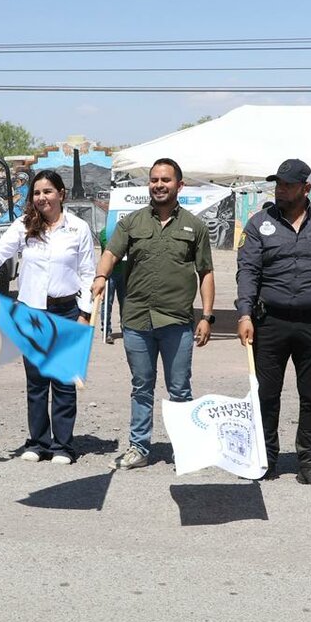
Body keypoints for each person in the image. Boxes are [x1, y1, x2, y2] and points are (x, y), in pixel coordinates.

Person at [236, 158, 311, 484]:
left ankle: (310, 464)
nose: (280, 190)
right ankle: (265, 460)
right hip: (269, 324)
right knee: (266, 396)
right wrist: (245, 314)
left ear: (306, 188)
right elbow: (248, 272)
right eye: (278, 184)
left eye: (288, 185)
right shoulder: (259, 224)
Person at [93, 158, 215, 470]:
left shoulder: (195, 227)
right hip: (137, 320)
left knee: (180, 389)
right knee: (141, 387)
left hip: (177, 321)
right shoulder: (132, 223)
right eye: (154, 180)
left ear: (179, 185)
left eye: (166, 180)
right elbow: (111, 252)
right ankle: (139, 447)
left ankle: (184, 449)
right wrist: (101, 276)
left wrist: (206, 316)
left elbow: (206, 272)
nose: (159, 185)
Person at [0, 170, 96, 464]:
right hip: (32, 311)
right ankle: (38, 442)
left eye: (48, 191)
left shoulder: (78, 228)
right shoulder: (23, 225)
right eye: (37, 193)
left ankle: (63, 445)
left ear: (61, 194)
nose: (42, 197)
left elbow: (88, 273)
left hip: (66, 310)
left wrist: (85, 313)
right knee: (37, 381)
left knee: (63, 381)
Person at [97, 221, 124, 345]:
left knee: (125, 303)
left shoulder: (126, 230)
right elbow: (112, 249)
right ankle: (107, 331)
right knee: (107, 303)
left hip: (124, 272)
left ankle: (126, 329)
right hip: (110, 273)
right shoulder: (105, 232)